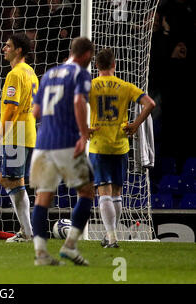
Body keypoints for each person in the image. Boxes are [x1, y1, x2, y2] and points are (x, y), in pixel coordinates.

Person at [29, 37, 95, 266]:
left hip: (42, 143)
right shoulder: (80, 73)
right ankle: (69, 246)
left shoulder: (48, 74)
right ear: (86, 55)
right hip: (66, 142)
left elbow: (35, 111)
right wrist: (83, 134)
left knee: (43, 197)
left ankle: (40, 253)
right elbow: (78, 101)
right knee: (86, 192)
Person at [88, 48, 156, 248]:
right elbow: (150, 103)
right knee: (117, 193)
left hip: (99, 145)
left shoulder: (90, 86)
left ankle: (111, 236)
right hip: (120, 145)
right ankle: (112, 235)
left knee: (104, 192)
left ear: (97, 66)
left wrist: (84, 128)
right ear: (114, 65)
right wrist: (135, 124)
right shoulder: (125, 86)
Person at [0, 32, 38, 243]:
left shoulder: (15, 74)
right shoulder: (31, 73)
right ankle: (26, 231)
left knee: (9, 180)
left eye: (8, 46)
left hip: (16, 134)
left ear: (19, 50)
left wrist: (1, 135)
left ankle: (28, 233)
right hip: (27, 132)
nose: (5, 48)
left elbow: (11, 108)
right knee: (14, 180)